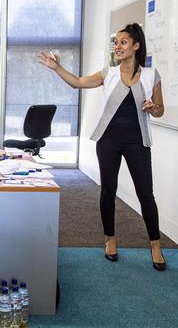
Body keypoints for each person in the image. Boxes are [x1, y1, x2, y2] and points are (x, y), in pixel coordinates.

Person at [37, 23, 166, 271]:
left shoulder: (152, 75)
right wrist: (57, 68)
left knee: (146, 195)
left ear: (136, 46)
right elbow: (77, 82)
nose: (117, 46)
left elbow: (160, 110)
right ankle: (110, 240)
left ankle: (156, 245)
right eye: (116, 42)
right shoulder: (109, 73)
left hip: (138, 142)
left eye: (123, 42)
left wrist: (153, 107)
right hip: (109, 140)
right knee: (108, 191)